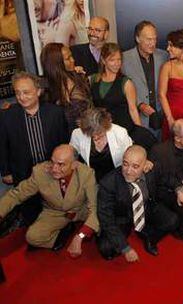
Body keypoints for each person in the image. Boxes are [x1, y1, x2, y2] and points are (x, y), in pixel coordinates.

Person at [0, 145, 99, 257]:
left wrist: (80, 236)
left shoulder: (87, 174)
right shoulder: (40, 172)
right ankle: (64, 233)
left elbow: (95, 207)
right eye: (53, 162)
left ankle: (77, 232)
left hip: (81, 210)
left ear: (74, 165)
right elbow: (16, 195)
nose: (54, 168)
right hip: (55, 212)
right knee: (32, 237)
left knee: (102, 228)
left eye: (61, 164)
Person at [0, 72, 68, 227]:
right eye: (18, 93)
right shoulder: (7, 116)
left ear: (38, 91)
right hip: (23, 173)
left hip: (52, 170)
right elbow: (2, 144)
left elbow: (64, 141)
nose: (22, 97)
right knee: (30, 212)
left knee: (57, 208)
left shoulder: (55, 113)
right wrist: (6, 171)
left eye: (26, 92)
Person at [96, 145, 178, 261]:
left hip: (146, 208)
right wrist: (125, 248)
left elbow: (167, 178)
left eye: (135, 166)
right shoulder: (108, 183)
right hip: (122, 217)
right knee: (107, 249)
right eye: (125, 164)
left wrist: (179, 190)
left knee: (172, 220)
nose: (128, 171)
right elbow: (106, 218)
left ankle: (150, 238)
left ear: (145, 166)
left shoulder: (152, 169)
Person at [91, 43, 156, 151]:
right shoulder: (93, 79)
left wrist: (140, 133)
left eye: (119, 60)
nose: (117, 64)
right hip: (103, 131)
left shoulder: (126, 83)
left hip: (124, 130)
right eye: (112, 60)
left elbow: (133, 109)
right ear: (103, 60)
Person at [150, 119, 183, 242]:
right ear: (178, 138)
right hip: (165, 190)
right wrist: (178, 190)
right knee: (181, 205)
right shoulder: (158, 151)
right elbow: (158, 178)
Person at [122, 20, 169, 137]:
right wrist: (139, 104)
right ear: (137, 38)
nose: (153, 43)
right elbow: (121, 88)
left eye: (155, 39)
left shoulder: (164, 56)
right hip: (139, 119)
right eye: (149, 39)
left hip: (162, 117)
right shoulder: (124, 59)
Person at [70, 107, 133, 182]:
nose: (96, 137)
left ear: (106, 126)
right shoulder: (77, 134)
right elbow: (71, 155)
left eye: (99, 133)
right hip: (91, 179)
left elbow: (131, 156)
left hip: (116, 178)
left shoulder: (120, 133)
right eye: (91, 134)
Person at [40, 42, 92, 132]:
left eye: (71, 56)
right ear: (56, 64)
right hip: (63, 137)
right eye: (68, 58)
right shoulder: (45, 88)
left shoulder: (79, 77)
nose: (73, 60)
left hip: (86, 133)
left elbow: (89, 107)